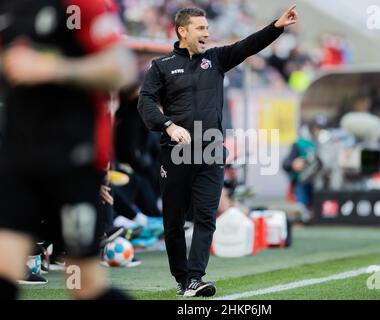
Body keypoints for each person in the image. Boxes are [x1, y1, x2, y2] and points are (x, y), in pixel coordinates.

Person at [138, 5, 298, 297]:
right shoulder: (160, 66)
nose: (207, 34)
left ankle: (195, 278)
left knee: (206, 216)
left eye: (207, 28)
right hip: (175, 154)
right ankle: (182, 278)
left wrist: (277, 26)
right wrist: (168, 126)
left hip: (212, 151)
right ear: (182, 31)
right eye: (200, 29)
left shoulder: (217, 58)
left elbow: (248, 46)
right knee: (173, 222)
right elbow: (145, 102)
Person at [0, 0, 137, 300]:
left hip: (74, 160)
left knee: (84, 285)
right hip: (19, 158)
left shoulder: (80, 5)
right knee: (5, 269)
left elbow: (121, 69)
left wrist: (55, 68)